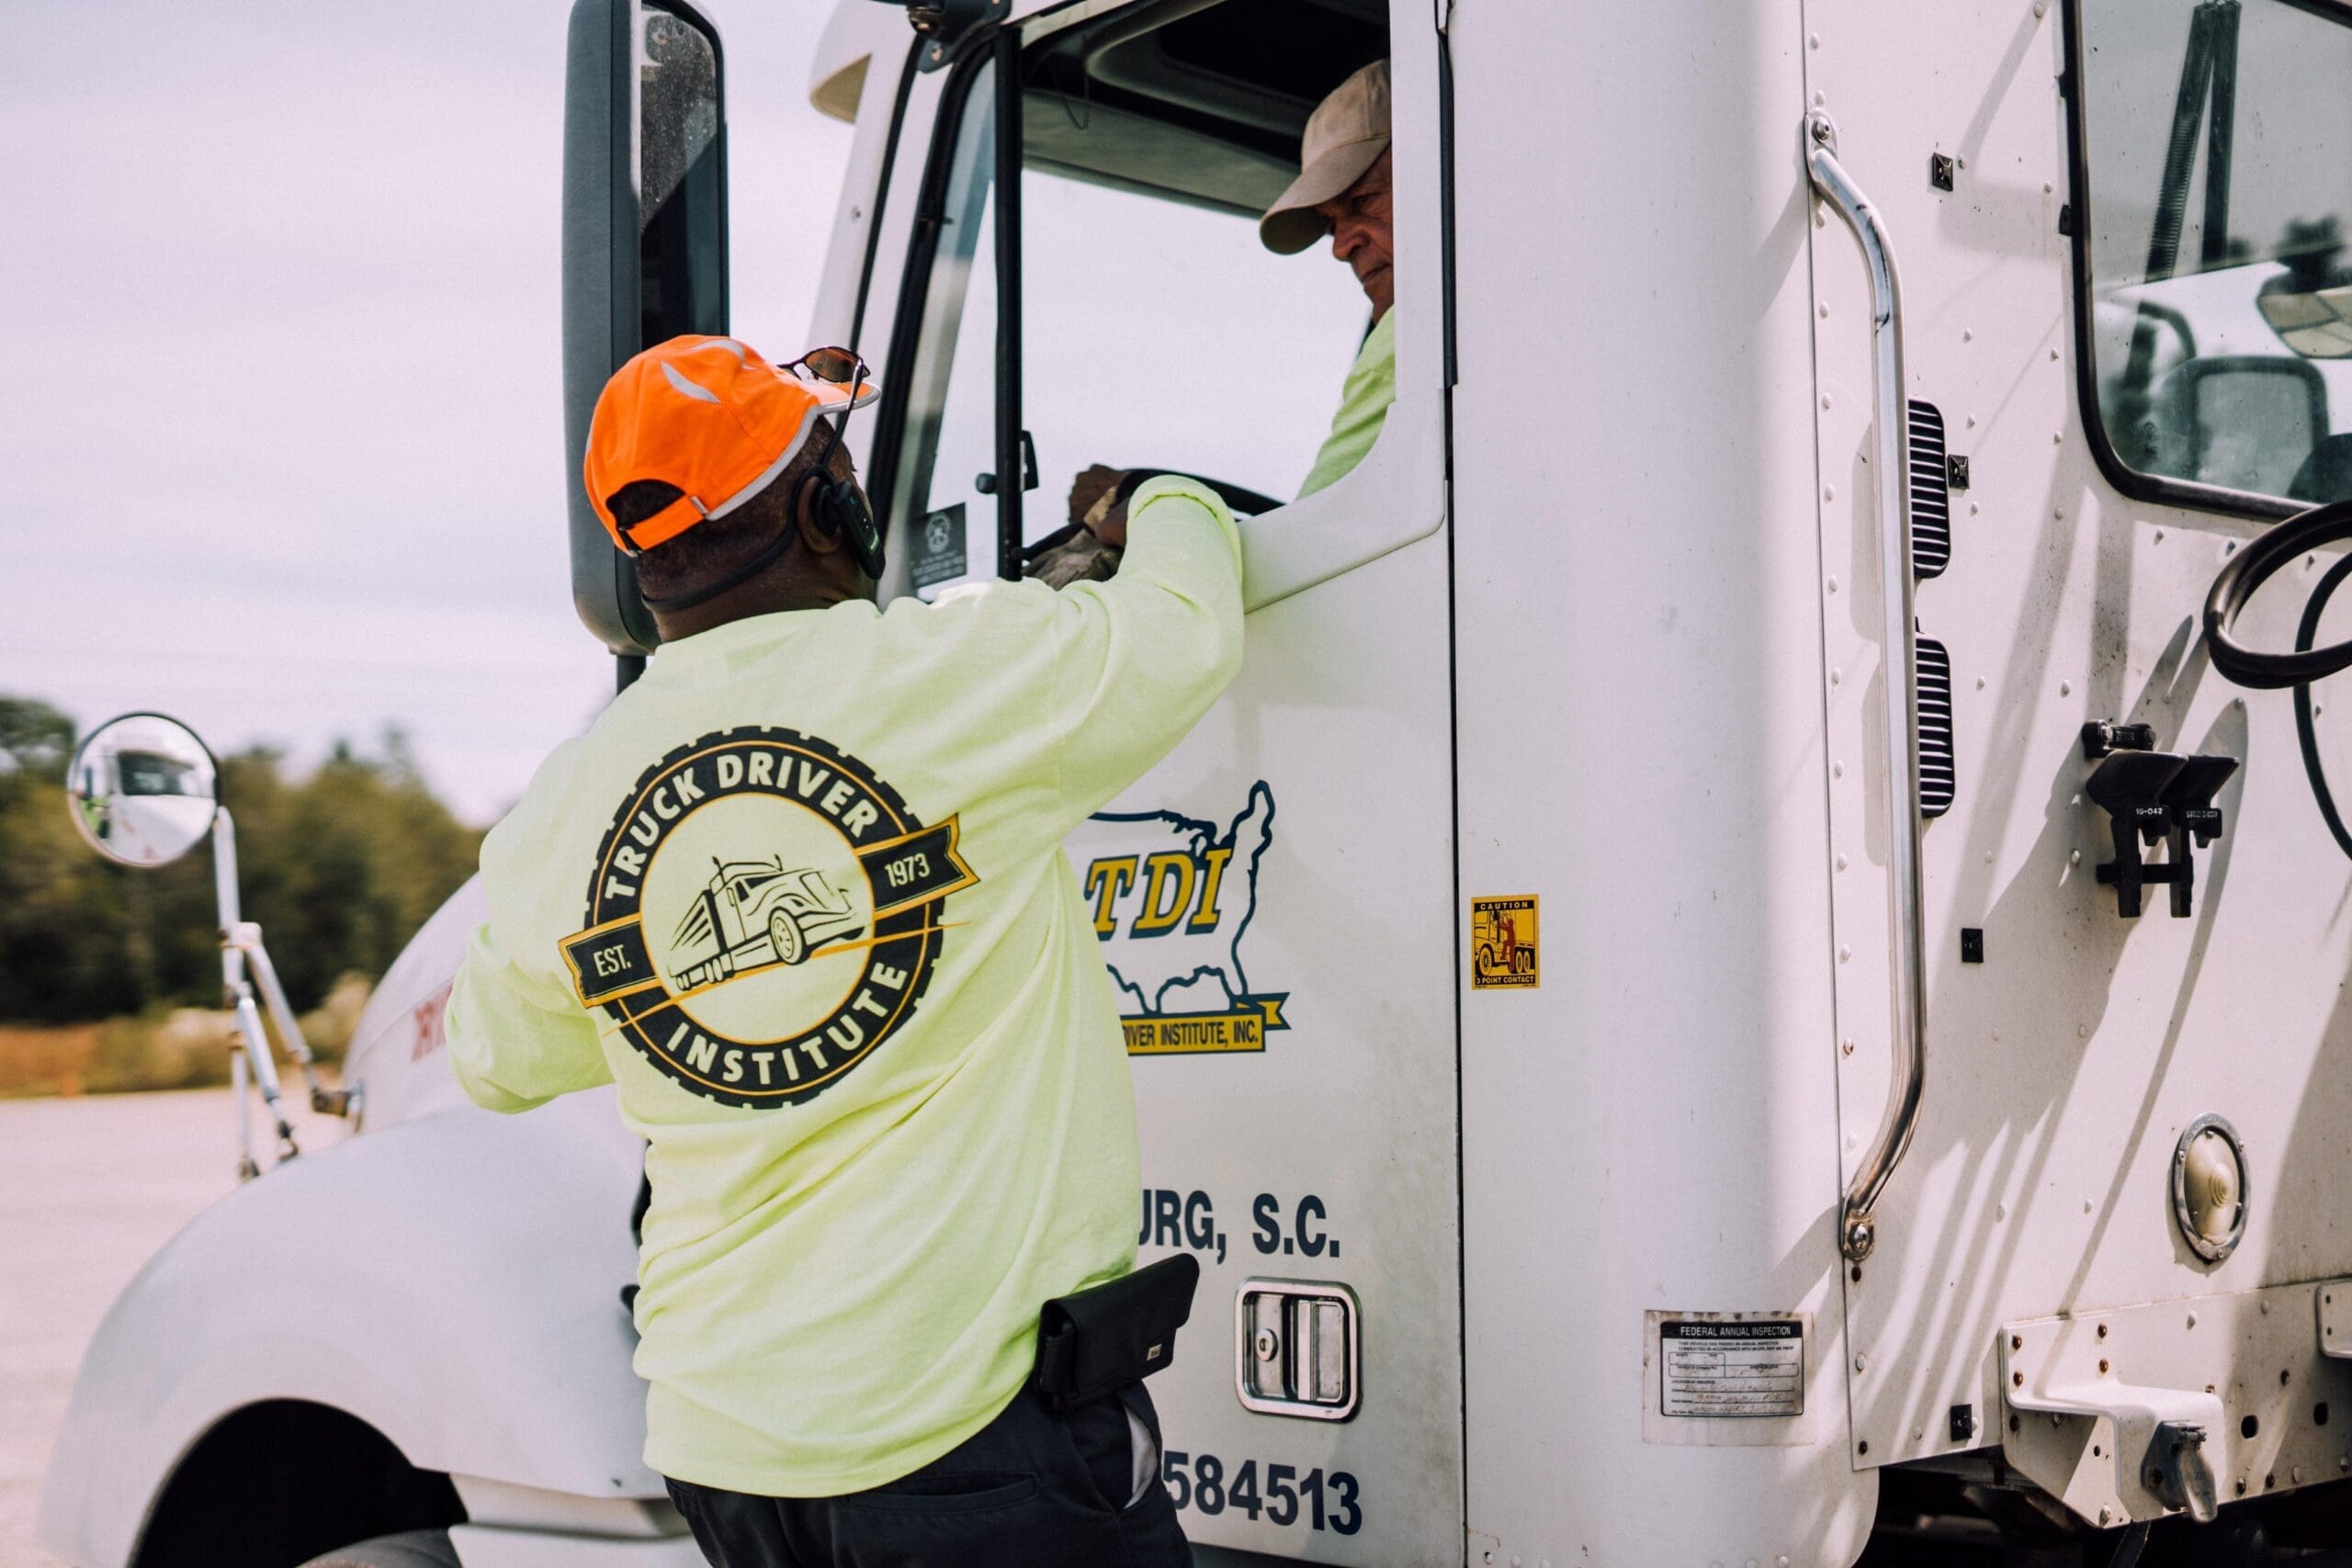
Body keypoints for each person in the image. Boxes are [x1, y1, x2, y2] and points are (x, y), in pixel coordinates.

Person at [445, 333, 1241, 1567]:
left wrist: (693, 976)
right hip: (965, 1431)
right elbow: (1185, 628)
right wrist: (1161, 498)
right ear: (823, 505)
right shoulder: (952, 675)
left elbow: (497, 1057)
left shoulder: (568, 800)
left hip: (727, 1442)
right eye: (837, 459)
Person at [1044, 56, 1396, 580]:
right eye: (1330, 225)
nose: (1342, 248)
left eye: (1365, 199)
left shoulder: (1415, 337)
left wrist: (1143, 514)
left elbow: (1312, 567)